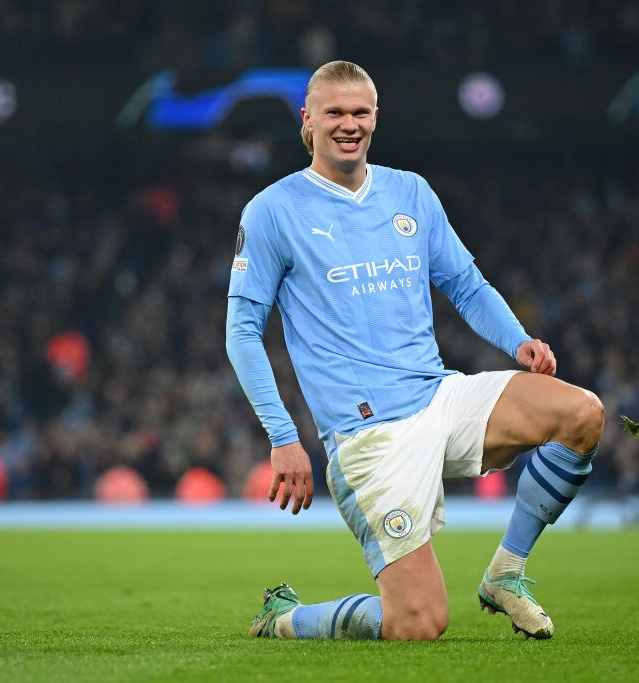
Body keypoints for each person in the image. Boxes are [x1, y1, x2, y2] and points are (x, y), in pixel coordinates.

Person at [226, 61, 604, 641]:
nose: (348, 124)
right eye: (335, 113)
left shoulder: (410, 192)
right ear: (308, 120)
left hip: (439, 396)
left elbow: (466, 285)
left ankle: (506, 573)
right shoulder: (273, 211)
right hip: (368, 436)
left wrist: (518, 340)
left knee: (582, 413)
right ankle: (285, 620)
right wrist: (282, 438)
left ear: (375, 117)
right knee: (418, 623)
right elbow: (242, 331)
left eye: (359, 112)